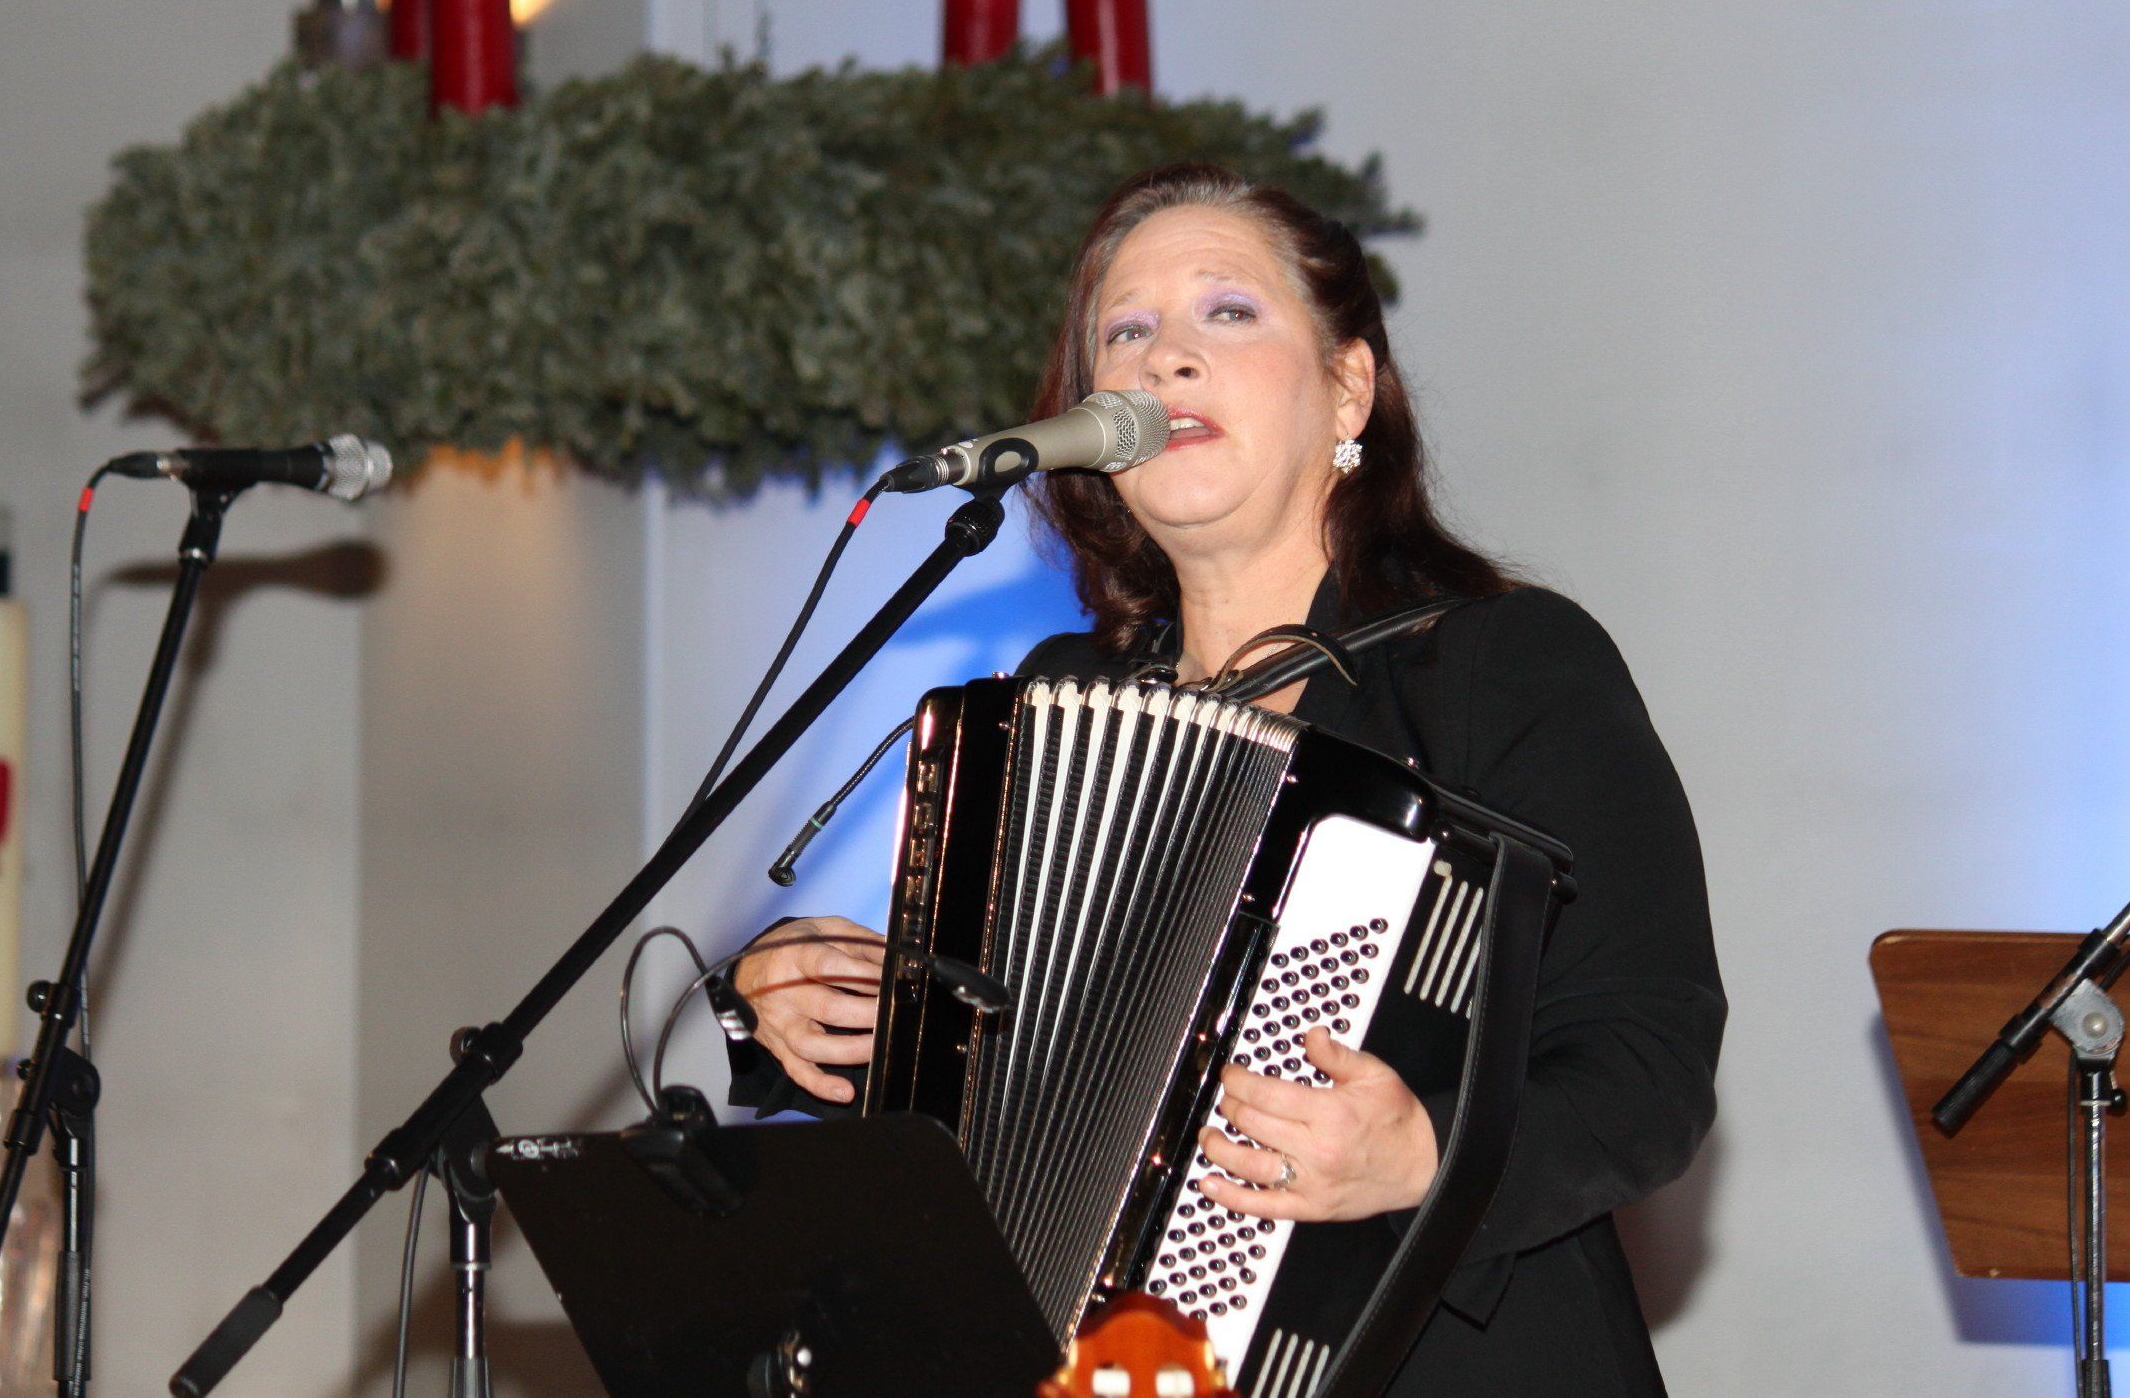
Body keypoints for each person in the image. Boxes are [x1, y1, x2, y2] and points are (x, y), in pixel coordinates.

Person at [728, 163, 1723, 1397]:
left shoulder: (1499, 663)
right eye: (1126, 332)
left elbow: (1647, 1063)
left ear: (1348, 385)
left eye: (1228, 312)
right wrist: (807, 1020)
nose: (1166, 358)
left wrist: (1421, 1152)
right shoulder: (1059, 698)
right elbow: (1010, 1093)